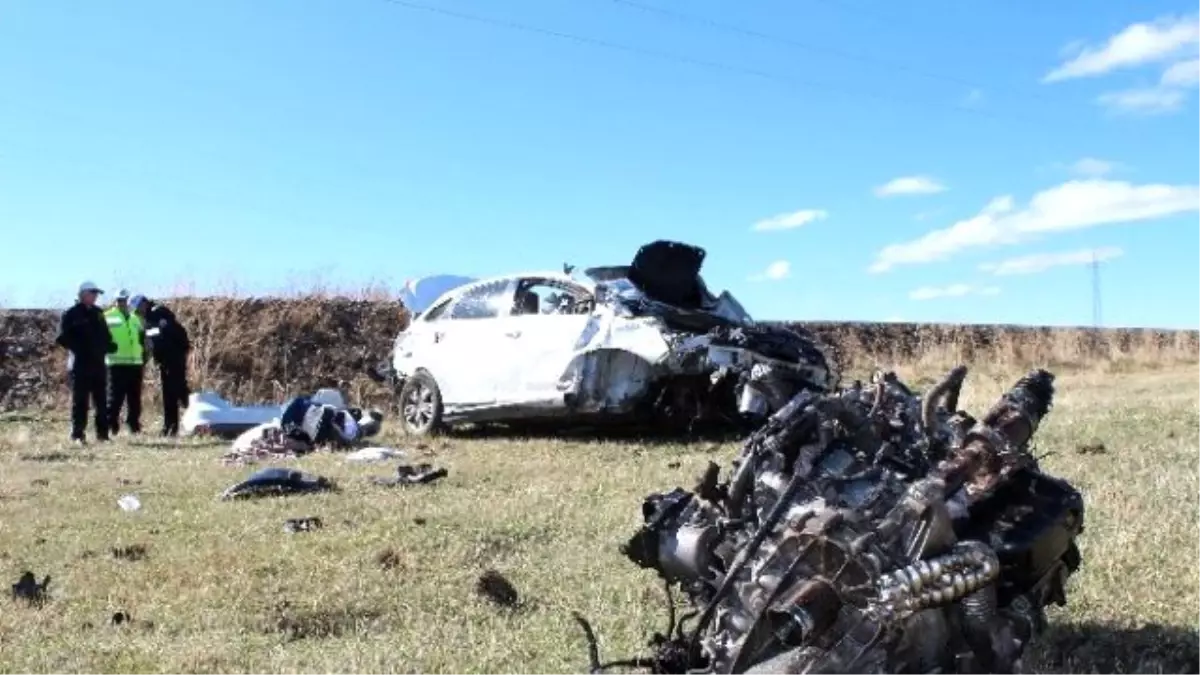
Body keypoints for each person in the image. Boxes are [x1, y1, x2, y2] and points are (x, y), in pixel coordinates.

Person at [55, 281, 117, 445]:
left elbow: (105, 335)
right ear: (82, 294)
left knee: (101, 401)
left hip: (98, 364)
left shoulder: (98, 313)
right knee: (81, 402)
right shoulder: (71, 314)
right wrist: (80, 349)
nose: (95, 296)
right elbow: (62, 337)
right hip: (79, 364)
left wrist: (108, 346)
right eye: (92, 293)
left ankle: (103, 435)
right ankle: (77, 435)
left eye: (97, 294)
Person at [129, 295, 192, 436]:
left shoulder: (159, 312)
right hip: (164, 360)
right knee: (171, 393)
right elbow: (152, 343)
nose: (139, 312)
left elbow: (170, 335)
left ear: (144, 303)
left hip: (174, 358)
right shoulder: (148, 319)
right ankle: (170, 427)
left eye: (139, 308)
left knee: (177, 391)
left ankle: (195, 418)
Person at [103, 289, 145, 436]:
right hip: (116, 363)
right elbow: (101, 337)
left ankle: (134, 426)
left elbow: (141, 338)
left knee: (135, 398)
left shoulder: (134, 319)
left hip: (135, 363)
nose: (122, 303)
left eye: (125, 300)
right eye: (119, 300)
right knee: (115, 398)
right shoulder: (107, 317)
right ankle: (110, 426)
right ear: (115, 301)